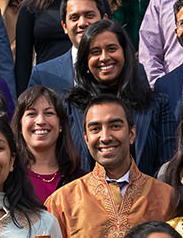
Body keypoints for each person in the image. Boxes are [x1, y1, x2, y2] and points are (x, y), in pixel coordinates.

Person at [45, 96, 173, 238]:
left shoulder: (167, 197)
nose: (105, 137)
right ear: (86, 139)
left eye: (115, 126)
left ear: (131, 134)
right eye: (95, 129)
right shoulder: (62, 202)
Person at [64, 20, 175, 175]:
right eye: (95, 52)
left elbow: (168, 166)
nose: (104, 57)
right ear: (85, 61)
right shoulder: (70, 105)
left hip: (147, 197)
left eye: (111, 49)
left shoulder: (156, 104)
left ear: (125, 53)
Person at [28, 0, 110, 92]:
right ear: (64, 26)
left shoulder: (127, 70)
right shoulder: (42, 75)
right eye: (74, 18)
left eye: (89, 15)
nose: (82, 23)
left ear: (104, 20)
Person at [15, 83, 80, 204]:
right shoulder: (10, 177)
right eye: (31, 114)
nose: (40, 121)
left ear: (61, 124)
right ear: (20, 126)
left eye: (49, 113)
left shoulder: (81, 180)